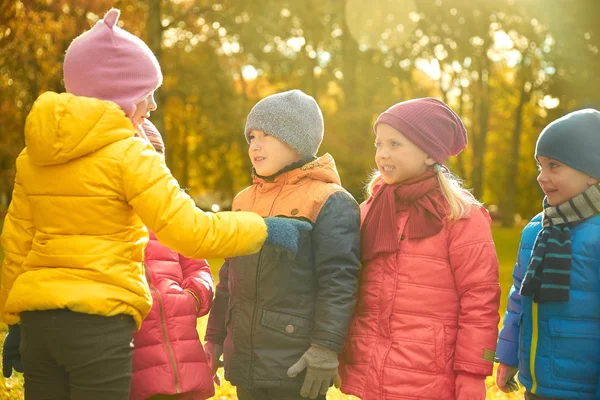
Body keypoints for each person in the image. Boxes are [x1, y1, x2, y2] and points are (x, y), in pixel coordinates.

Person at [0, 9, 309, 400]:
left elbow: (16, 244)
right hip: (98, 326)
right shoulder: (129, 153)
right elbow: (190, 231)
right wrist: (266, 228)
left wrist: (15, 323)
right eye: (146, 92)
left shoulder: (35, 155)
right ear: (119, 94)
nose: (153, 105)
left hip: (39, 324)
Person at [339, 98, 501, 400]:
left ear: (429, 153)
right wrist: (339, 352)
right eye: (379, 144)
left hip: (430, 373)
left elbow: (480, 299)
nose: (382, 154)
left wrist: (471, 371)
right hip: (372, 367)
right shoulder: (370, 211)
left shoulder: (460, 216)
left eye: (395, 144)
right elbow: (349, 287)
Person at [204, 90, 361, 400]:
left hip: (297, 363)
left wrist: (325, 348)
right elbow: (228, 279)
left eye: (267, 135)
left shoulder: (329, 200)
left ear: (296, 141)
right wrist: (215, 338)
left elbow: (339, 282)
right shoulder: (243, 200)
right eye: (251, 137)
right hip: (245, 360)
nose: (255, 145)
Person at [496, 109, 600, 400]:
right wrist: (508, 355)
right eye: (540, 166)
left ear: (592, 172)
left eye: (554, 166)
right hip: (537, 384)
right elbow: (519, 297)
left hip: (583, 387)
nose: (542, 177)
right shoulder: (535, 230)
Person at [129, 121, 216, 400]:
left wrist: (193, 295)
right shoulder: (111, 216)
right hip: (137, 359)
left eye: (157, 155)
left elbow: (199, 267)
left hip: (184, 355)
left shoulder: (176, 213)